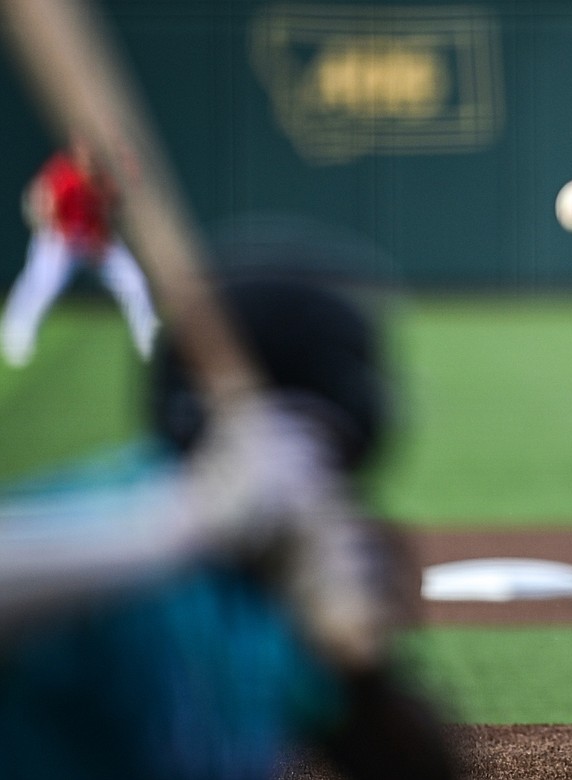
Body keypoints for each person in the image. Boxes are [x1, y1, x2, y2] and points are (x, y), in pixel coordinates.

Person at [0, 274, 455, 780]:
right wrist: (179, 528)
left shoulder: (288, 562)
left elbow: (414, 766)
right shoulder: (93, 520)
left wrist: (363, 673)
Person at [0, 138, 159, 366]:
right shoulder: (64, 174)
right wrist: (63, 234)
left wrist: (128, 179)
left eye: (92, 153)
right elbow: (43, 210)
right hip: (61, 241)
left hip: (94, 240)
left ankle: (147, 338)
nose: (89, 157)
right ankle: (17, 335)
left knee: (132, 280)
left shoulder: (106, 178)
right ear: (76, 153)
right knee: (42, 285)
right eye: (84, 152)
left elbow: (115, 209)